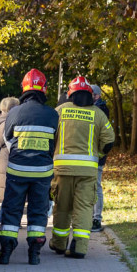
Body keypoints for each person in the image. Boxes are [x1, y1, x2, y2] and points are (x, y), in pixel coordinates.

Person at [0, 70, 59, 266]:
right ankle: (34, 253)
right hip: (43, 172)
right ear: (44, 89)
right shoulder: (52, 114)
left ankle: (5, 252)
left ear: (24, 89)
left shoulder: (14, 112)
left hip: (17, 170)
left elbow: (6, 139)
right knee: (38, 211)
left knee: (12, 209)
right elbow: (54, 143)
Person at [49, 77, 114, 258]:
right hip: (87, 172)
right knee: (84, 208)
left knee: (62, 207)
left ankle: (59, 243)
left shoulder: (59, 111)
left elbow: (49, 136)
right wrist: (98, 155)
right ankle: (79, 247)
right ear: (89, 95)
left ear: (70, 94)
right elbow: (109, 141)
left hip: (62, 170)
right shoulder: (98, 114)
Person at [91, 85, 111, 232]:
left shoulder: (101, 110)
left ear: (96, 95)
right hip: (92, 155)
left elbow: (106, 137)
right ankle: (91, 217)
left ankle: (96, 218)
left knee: (96, 186)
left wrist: (100, 154)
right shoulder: (97, 108)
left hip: (97, 156)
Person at [0, 96, 20, 194]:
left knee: (5, 190)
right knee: (9, 192)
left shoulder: (1, 121)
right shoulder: (8, 122)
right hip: (8, 158)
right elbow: (1, 142)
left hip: (3, 158)